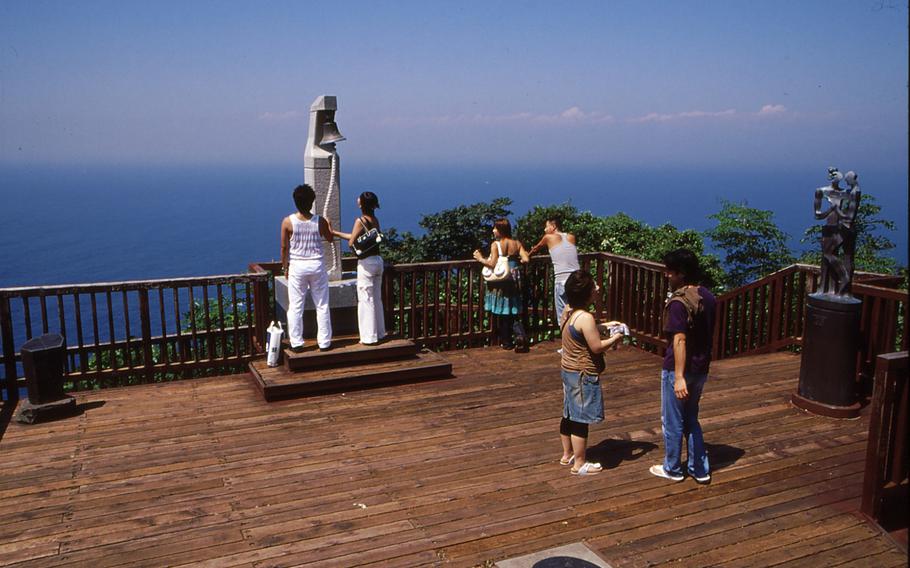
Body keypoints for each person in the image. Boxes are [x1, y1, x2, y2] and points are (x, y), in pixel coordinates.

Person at [649, 249, 717, 484]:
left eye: (670, 272)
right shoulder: (707, 296)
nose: (667, 275)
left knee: (673, 420)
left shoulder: (679, 303)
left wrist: (678, 377)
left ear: (681, 273)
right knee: (691, 418)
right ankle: (700, 468)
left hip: (679, 370)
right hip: (700, 369)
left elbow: (679, 340)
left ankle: (673, 468)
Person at [559, 269, 626, 475]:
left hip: (568, 370)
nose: (598, 288)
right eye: (594, 286)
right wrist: (616, 337)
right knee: (581, 418)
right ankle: (580, 464)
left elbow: (580, 330)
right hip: (582, 373)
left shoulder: (568, 311)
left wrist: (604, 325)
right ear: (587, 293)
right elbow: (596, 347)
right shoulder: (586, 317)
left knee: (569, 413)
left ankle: (567, 454)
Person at [280, 184, 334, 352]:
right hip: (317, 265)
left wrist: (284, 267)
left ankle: (296, 342)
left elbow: (284, 248)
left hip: (297, 266)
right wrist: (329, 226)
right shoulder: (320, 221)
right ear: (312, 202)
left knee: (296, 306)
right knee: (322, 305)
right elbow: (330, 239)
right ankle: (324, 342)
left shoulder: (288, 222)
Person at [331, 191, 387, 345]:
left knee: (365, 299)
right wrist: (335, 233)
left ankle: (369, 337)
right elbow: (362, 236)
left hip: (366, 263)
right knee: (376, 298)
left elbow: (352, 242)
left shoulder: (360, 220)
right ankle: (380, 332)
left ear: (361, 203)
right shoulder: (374, 220)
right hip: (378, 261)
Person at [472, 219, 530, 351]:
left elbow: (492, 264)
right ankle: (519, 337)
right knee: (512, 309)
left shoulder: (496, 244)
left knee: (503, 311)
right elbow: (526, 259)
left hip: (502, 279)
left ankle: (507, 342)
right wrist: (516, 261)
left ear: (501, 230)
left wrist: (480, 258)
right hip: (515, 278)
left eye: (495, 228)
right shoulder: (516, 243)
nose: (493, 230)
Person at [529, 217, 580, 328]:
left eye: (546, 226)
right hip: (577, 279)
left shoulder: (548, 237)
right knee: (576, 312)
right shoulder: (571, 237)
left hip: (562, 280)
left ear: (553, 227)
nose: (545, 230)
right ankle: (578, 341)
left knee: (563, 316)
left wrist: (526, 257)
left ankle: (566, 343)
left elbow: (536, 249)